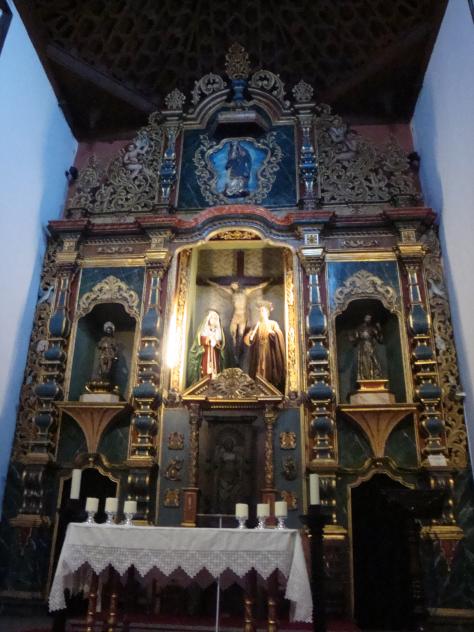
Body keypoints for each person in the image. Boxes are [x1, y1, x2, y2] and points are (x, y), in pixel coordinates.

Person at [206, 279, 270, 356]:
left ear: (238, 285)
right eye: (231, 285)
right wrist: (209, 282)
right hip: (235, 316)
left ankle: (239, 352)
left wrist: (268, 282)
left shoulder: (246, 291)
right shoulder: (231, 293)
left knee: (240, 335)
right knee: (232, 333)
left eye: (233, 284)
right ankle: (234, 351)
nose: (231, 286)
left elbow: (258, 287)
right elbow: (219, 287)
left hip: (242, 316)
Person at [244, 301, 285, 390]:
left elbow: (279, 335)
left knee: (267, 366)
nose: (261, 313)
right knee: (259, 366)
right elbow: (251, 339)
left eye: (262, 310)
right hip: (259, 350)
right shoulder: (257, 325)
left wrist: (273, 333)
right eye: (259, 311)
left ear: (267, 312)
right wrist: (250, 337)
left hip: (268, 350)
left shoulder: (273, 323)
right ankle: (259, 386)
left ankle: (268, 385)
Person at [187, 310, 225, 384]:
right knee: (205, 369)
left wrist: (216, 342)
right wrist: (208, 339)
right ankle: (204, 382)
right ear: (209, 319)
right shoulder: (204, 328)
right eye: (212, 318)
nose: (214, 320)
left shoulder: (218, 330)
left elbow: (220, 343)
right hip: (205, 353)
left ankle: (214, 381)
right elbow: (199, 339)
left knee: (215, 370)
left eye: (215, 318)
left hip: (215, 355)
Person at [350, 314, 384, 380]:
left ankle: (374, 376)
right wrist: (353, 339)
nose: (368, 319)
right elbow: (355, 340)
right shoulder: (359, 328)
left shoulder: (373, 328)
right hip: (363, 348)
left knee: (373, 360)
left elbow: (380, 339)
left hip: (370, 347)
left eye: (370, 318)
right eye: (367, 318)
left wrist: (379, 329)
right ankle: (365, 377)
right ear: (364, 318)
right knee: (364, 362)